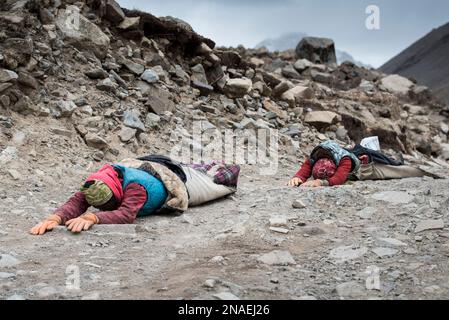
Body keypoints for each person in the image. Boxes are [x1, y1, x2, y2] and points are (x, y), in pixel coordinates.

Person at [30, 156, 240, 235]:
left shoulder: (136, 187)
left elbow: (126, 215)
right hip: (147, 165)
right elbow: (78, 201)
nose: (104, 209)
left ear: (116, 192)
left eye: (107, 204)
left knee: (218, 181)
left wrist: (93, 217)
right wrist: (54, 218)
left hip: (176, 181)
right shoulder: (101, 181)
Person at [287, 140, 433, 188]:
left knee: (398, 171)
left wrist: (321, 182)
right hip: (354, 159)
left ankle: (424, 172)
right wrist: (298, 178)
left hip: (365, 168)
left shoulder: (344, 159)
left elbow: (339, 179)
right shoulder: (315, 156)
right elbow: (305, 169)